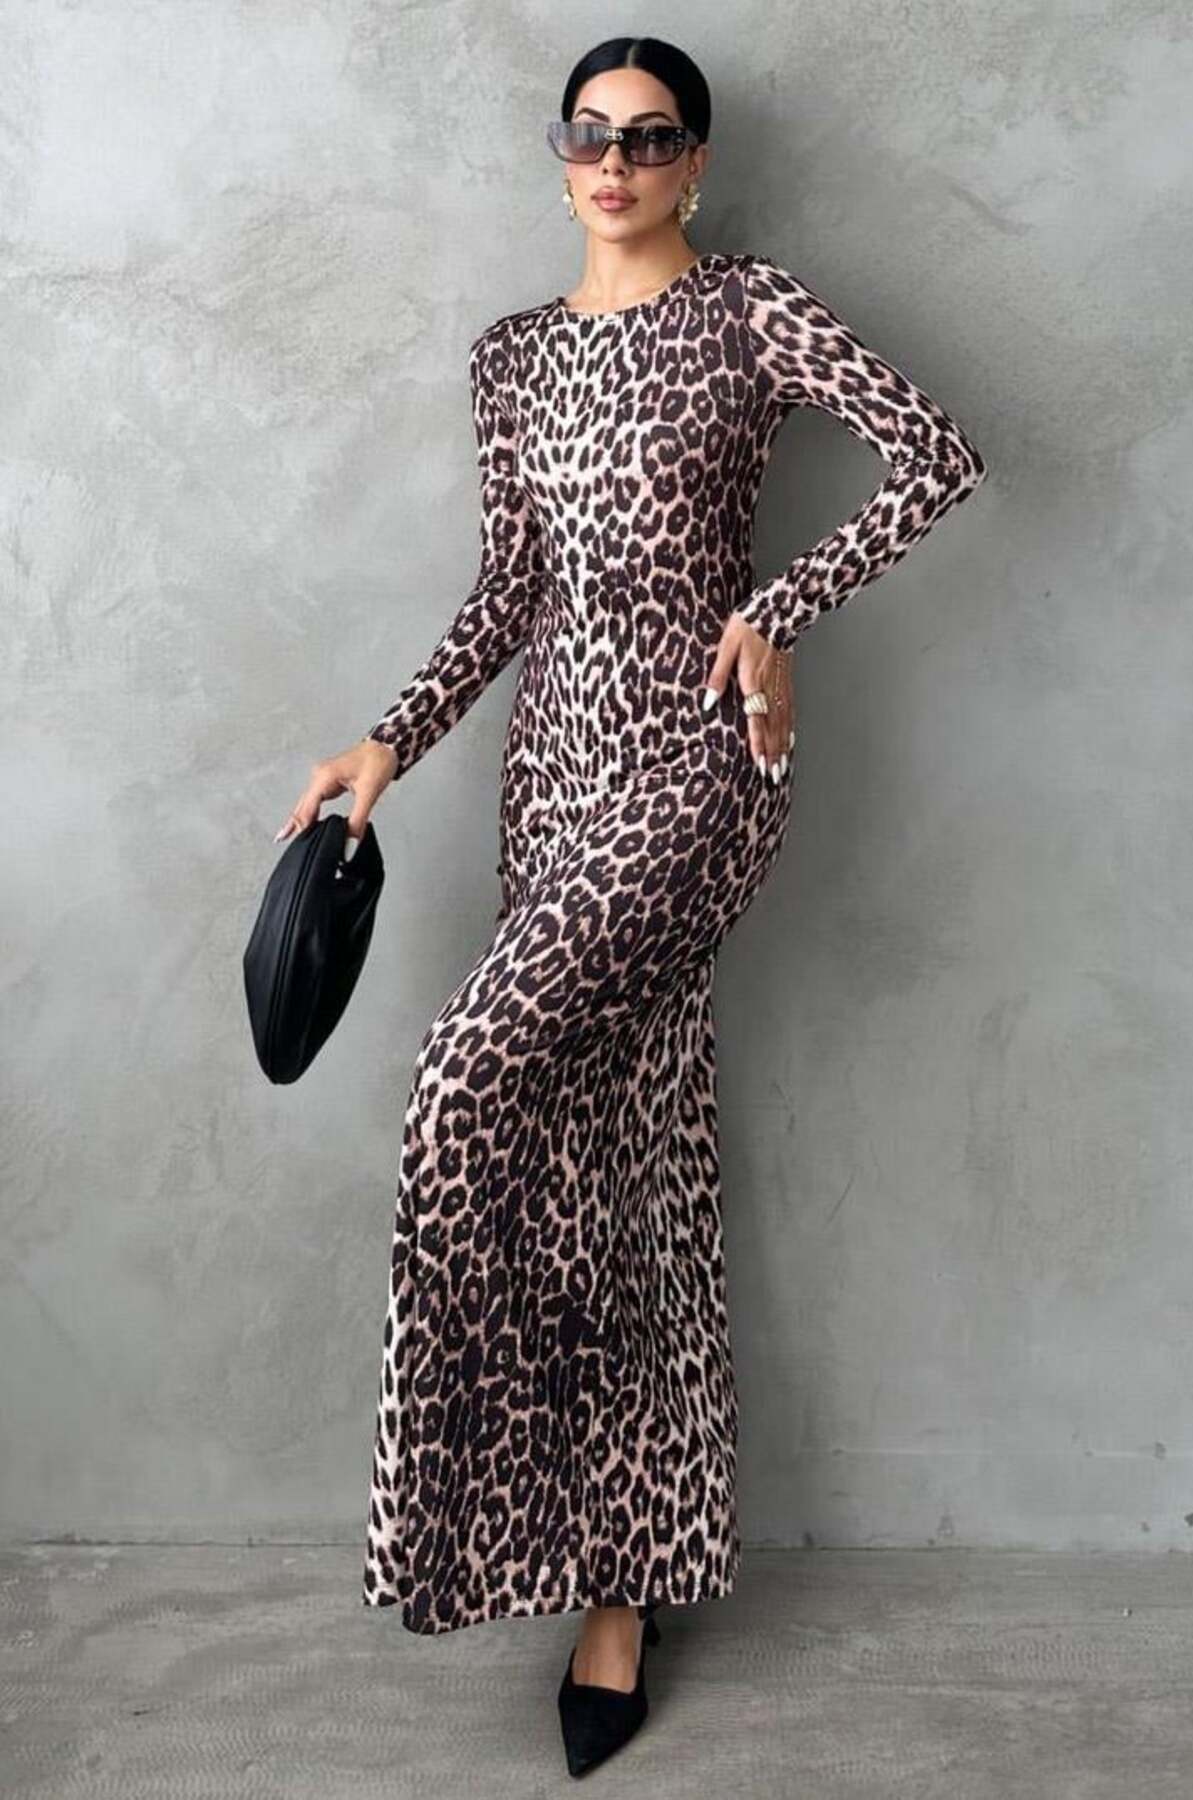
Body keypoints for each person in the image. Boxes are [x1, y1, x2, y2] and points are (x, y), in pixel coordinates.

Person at [275, 34, 988, 1780]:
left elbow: (936, 455)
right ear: (558, 154)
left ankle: (469, 1518)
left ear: (698, 162)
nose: (615, 162)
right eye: (588, 134)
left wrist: (776, 612)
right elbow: (509, 587)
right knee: (623, 1160)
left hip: (698, 772)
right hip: (551, 784)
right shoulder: (511, 356)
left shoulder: (749, 309)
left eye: (651, 138)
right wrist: (387, 744)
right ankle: (622, 1582)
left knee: (461, 1087)